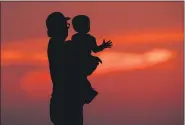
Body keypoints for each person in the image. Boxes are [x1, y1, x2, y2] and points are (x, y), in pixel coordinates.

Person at [46, 12, 85, 125]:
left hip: (63, 101)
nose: (67, 29)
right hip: (67, 102)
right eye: (65, 25)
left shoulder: (57, 45)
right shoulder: (61, 47)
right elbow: (77, 69)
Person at [71, 15, 112, 104]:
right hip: (79, 61)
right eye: (86, 25)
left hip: (85, 61)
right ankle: (87, 93)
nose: (88, 27)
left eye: (88, 24)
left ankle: (87, 93)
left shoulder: (88, 38)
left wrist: (103, 46)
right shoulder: (76, 38)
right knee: (81, 77)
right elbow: (94, 50)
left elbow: (95, 49)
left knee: (81, 77)